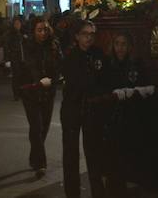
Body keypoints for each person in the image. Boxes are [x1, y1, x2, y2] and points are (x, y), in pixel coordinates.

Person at [101, 32, 154, 196]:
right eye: (117, 43)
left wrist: (134, 93)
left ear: (129, 46)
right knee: (113, 153)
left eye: (123, 44)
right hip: (113, 115)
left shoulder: (135, 64)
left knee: (128, 152)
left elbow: (144, 85)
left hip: (131, 115)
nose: (120, 48)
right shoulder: (108, 64)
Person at [61, 19, 108, 198]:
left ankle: (98, 192)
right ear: (77, 36)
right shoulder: (70, 56)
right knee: (71, 155)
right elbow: (77, 82)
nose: (89, 38)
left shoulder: (98, 54)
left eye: (92, 34)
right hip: (72, 108)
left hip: (92, 109)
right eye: (85, 34)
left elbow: (103, 78)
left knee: (94, 153)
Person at [19, 16, 61, 179]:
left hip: (48, 91)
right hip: (31, 91)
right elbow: (26, 66)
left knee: (44, 127)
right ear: (33, 31)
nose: (43, 33)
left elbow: (59, 64)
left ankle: (34, 155)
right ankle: (40, 163)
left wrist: (55, 79)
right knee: (36, 126)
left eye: (45, 29)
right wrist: (38, 81)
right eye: (39, 30)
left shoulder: (54, 44)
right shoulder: (26, 45)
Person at [2, 15, 26, 100]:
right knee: (16, 76)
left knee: (21, 76)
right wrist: (7, 59)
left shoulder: (21, 33)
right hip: (14, 57)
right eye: (16, 24)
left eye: (19, 24)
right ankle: (16, 94)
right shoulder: (10, 34)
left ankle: (21, 92)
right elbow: (6, 47)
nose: (18, 25)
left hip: (21, 58)